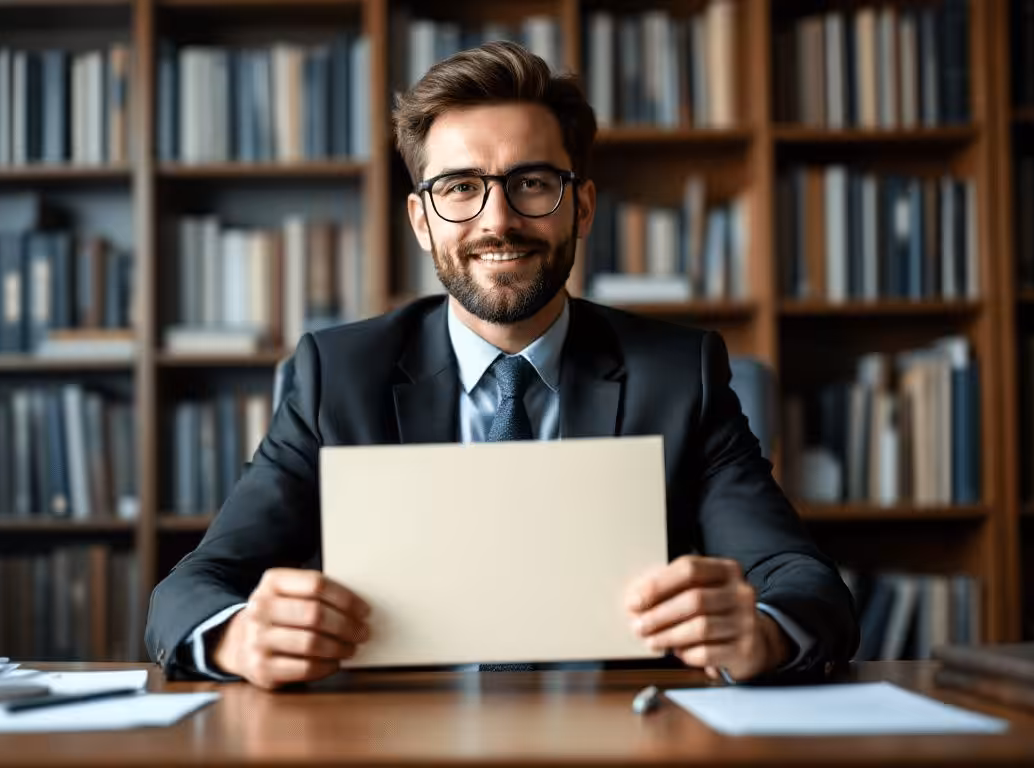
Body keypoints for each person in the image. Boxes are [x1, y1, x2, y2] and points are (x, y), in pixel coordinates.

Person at [144, 41, 859, 690]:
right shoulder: (338, 375)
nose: (497, 220)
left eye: (532, 182)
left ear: (580, 207)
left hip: (622, 734)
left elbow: (804, 585)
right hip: (391, 733)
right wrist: (239, 637)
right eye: (460, 187)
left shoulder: (680, 374)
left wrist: (759, 632)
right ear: (422, 220)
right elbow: (192, 588)